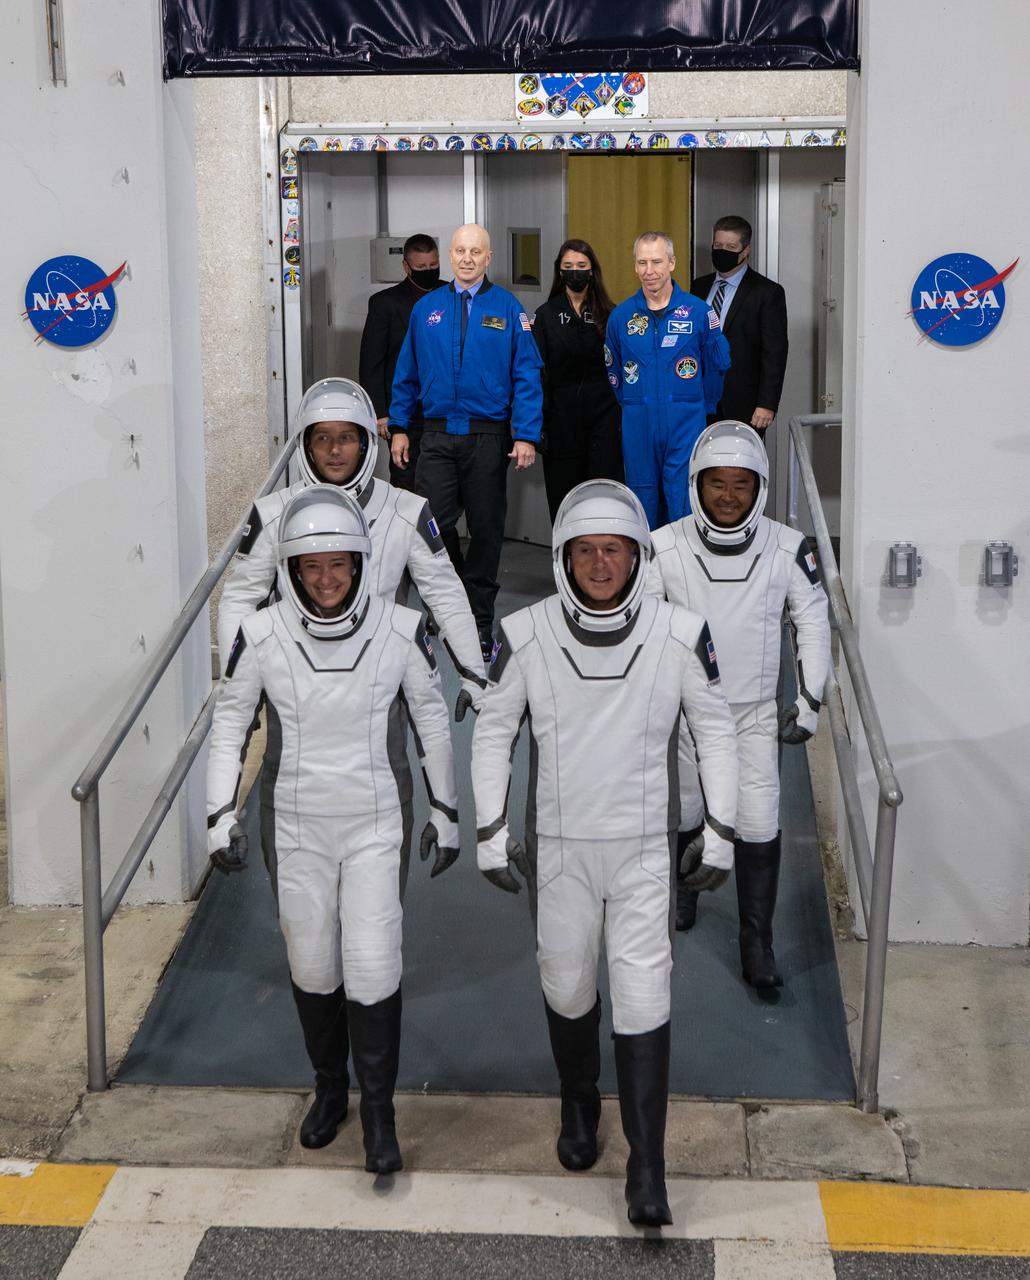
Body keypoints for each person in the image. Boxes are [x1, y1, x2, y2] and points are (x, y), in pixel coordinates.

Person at [472, 480, 738, 1229]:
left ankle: (647, 1165)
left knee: (645, 993)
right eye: (585, 552)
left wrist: (720, 828)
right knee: (565, 987)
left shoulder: (681, 633)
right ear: (562, 557)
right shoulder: (524, 635)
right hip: (561, 851)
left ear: (636, 557)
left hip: (643, 852)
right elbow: (493, 730)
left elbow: (714, 730)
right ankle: (580, 1101)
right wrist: (492, 830)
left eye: (612, 551)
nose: (598, 565)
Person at [208, 486, 460, 1170]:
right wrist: (218, 812)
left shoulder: (402, 630)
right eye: (312, 567)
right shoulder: (260, 636)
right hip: (295, 830)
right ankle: (329, 1089)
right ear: (290, 570)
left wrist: (446, 808)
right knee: (312, 961)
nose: (326, 579)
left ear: (359, 562)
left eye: (339, 565)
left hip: (376, 824)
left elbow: (432, 719)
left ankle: (379, 1111)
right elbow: (231, 721)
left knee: (375, 961)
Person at [646, 422, 831, 990]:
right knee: (681, 808)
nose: (728, 497)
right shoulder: (663, 546)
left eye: (741, 486)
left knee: (757, 820)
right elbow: (644, 629)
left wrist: (809, 698)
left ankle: (758, 939)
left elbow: (814, 620)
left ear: (761, 488)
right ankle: (682, 895)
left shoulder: (787, 548)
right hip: (685, 716)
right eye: (717, 484)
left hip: (752, 716)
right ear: (697, 485)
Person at [217, 376, 485, 722]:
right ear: (307, 446)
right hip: (294, 686)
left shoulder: (406, 510)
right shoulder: (272, 513)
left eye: (345, 438)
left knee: (390, 774)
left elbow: (445, 592)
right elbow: (241, 599)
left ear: (364, 443)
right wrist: (236, 683)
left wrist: (473, 672)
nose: (334, 450)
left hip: (381, 684)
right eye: (323, 438)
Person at [388, 223, 543, 663]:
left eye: (476, 251)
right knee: (433, 526)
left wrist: (526, 434)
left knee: (487, 531)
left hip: (488, 436)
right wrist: (399, 425)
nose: (468, 258)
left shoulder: (509, 309)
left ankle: (477, 619)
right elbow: (407, 373)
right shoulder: (427, 309)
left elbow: (527, 377)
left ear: (489, 257)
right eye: (460, 251)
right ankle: (447, 604)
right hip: (435, 434)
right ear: (450, 256)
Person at [605, 231, 730, 530]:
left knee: (683, 499)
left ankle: (683, 573)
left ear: (672, 263)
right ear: (635, 266)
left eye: (657, 262)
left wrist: (704, 404)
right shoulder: (621, 317)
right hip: (639, 423)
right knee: (642, 499)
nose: (650, 271)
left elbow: (717, 364)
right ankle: (647, 572)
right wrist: (635, 404)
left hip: (685, 421)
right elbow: (614, 371)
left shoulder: (699, 312)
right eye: (642, 262)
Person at [533, 239, 623, 522]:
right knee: (565, 503)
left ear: (592, 270)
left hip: (604, 423)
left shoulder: (610, 314)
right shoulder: (545, 316)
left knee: (602, 499)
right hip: (560, 425)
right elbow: (536, 375)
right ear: (560, 273)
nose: (575, 272)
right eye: (568, 266)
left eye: (581, 266)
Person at [359, 233, 445, 491]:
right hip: (402, 409)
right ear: (406, 267)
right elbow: (371, 362)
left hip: (443, 408)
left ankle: (440, 532)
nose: (428, 272)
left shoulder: (451, 294)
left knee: (442, 484)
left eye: (432, 266)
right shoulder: (385, 304)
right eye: (421, 268)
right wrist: (381, 412)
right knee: (406, 478)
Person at [690, 216, 788, 438]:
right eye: (718, 246)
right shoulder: (698, 287)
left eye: (731, 247)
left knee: (740, 469)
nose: (722, 251)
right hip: (700, 402)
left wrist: (767, 404)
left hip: (744, 404)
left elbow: (775, 353)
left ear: (746, 250)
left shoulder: (767, 292)